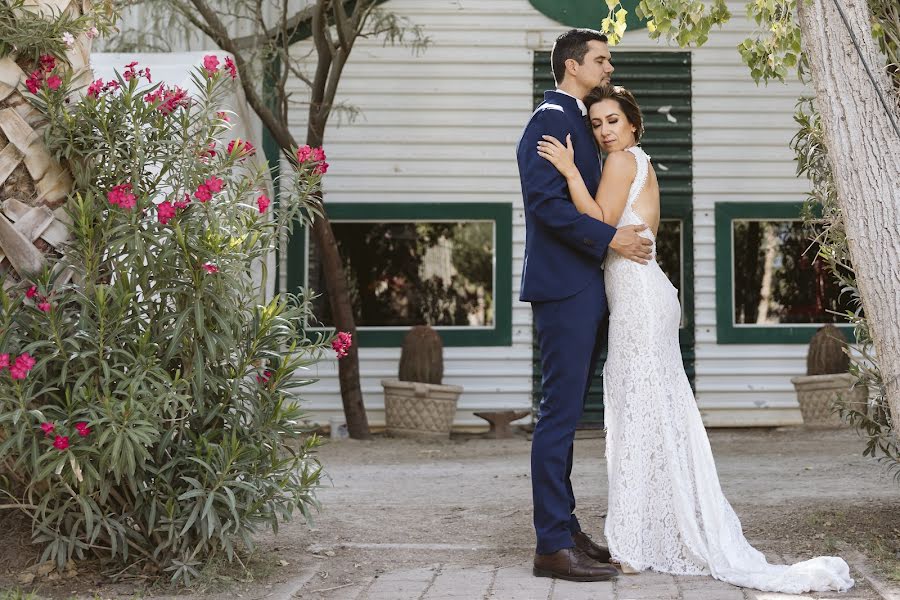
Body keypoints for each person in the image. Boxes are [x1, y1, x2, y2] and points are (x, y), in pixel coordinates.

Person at [536, 83, 855, 594]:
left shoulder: (620, 163)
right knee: (652, 412)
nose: (603, 131)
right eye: (596, 124)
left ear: (633, 124)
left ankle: (636, 545)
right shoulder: (637, 162)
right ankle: (651, 532)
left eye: (612, 121)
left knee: (638, 413)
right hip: (646, 294)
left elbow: (595, 222)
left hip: (639, 300)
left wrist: (570, 171)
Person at [515, 28, 653, 583]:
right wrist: (609, 240)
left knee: (569, 417)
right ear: (573, 66)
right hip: (565, 288)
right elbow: (544, 205)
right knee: (558, 417)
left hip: (584, 287)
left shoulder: (577, 117)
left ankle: (566, 529)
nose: (609, 67)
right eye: (602, 59)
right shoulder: (549, 117)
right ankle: (551, 544)